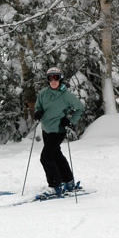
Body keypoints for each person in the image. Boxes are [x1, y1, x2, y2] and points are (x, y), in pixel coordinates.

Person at [34, 66, 85, 197]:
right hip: (46, 129)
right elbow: (38, 106)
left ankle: (55, 186)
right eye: (50, 78)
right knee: (56, 155)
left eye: (56, 77)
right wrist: (38, 113)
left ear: (60, 79)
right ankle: (68, 182)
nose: (53, 81)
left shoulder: (66, 95)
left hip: (58, 130)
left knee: (45, 158)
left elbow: (79, 108)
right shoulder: (43, 93)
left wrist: (70, 121)